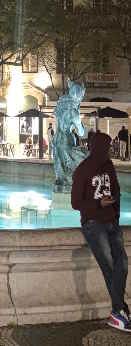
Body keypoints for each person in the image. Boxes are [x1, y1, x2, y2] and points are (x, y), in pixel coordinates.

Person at [71, 132, 130, 332]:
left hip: (111, 221)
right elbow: (75, 203)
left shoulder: (109, 166)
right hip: (94, 223)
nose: (109, 151)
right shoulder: (82, 170)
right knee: (110, 266)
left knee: (122, 264)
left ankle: (118, 311)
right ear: (98, 148)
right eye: (107, 148)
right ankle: (118, 311)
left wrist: (115, 213)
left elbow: (117, 190)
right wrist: (98, 204)